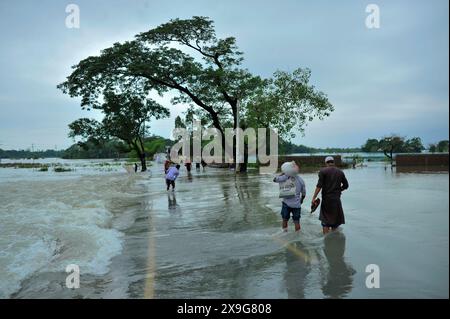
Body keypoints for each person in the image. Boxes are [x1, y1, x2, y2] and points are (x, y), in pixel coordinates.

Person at [311, 156, 349, 234]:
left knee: (325, 221)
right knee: (335, 221)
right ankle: (334, 241)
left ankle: (326, 240)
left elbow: (319, 186)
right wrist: (339, 190)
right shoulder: (340, 172)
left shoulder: (323, 171)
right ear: (333, 162)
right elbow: (346, 186)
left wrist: (314, 197)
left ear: (326, 163)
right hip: (336, 200)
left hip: (326, 200)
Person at [273, 161, 306, 232]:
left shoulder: (284, 177)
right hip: (296, 205)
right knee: (297, 221)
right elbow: (303, 193)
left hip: (286, 203)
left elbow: (274, 179)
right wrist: (301, 200)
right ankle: (298, 236)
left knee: (285, 219)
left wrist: (282, 173)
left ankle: (285, 234)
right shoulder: (300, 180)